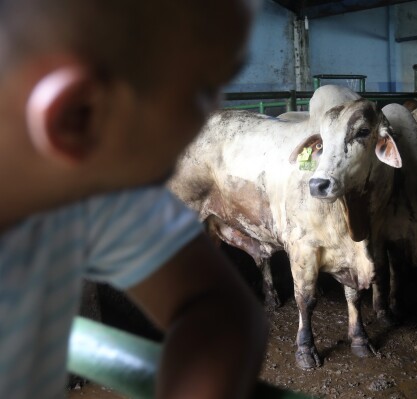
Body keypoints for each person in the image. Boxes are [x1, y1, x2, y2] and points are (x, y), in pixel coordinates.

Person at [0, 1, 268, 398]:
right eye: (202, 90)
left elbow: (217, 308)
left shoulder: (93, 195)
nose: (214, 112)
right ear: (79, 115)